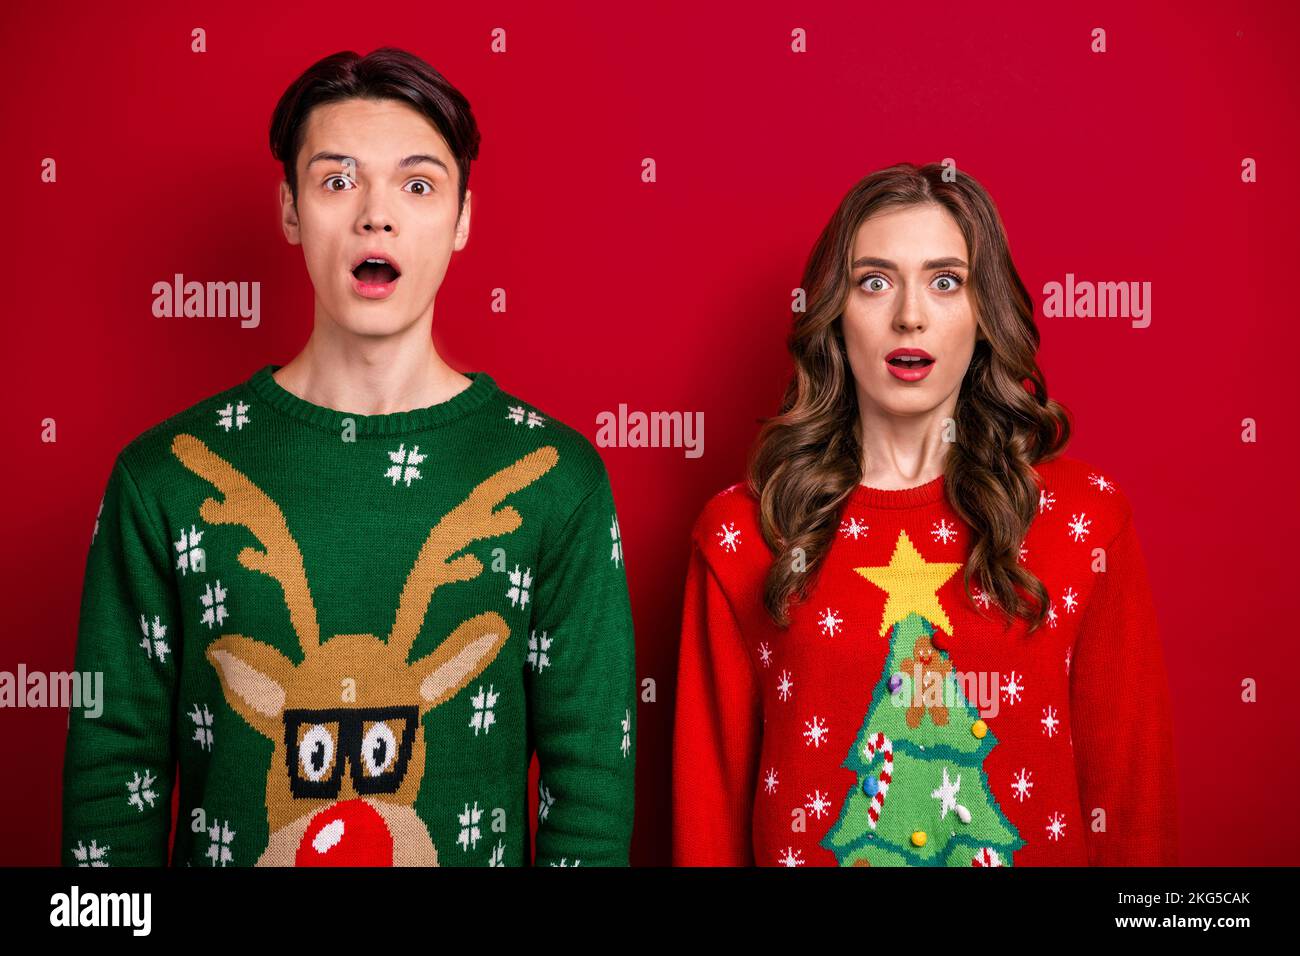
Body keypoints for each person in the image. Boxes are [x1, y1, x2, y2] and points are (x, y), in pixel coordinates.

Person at [61, 47, 636, 867]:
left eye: (417, 184)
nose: (376, 215)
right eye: (336, 181)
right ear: (291, 211)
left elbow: (591, 791)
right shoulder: (164, 480)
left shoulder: (555, 479)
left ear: (464, 218)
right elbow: (111, 782)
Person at [671, 162, 1177, 867]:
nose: (909, 314)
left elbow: (1130, 811)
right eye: (874, 281)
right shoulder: (743, 531)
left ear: (984, 311)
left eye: (946, 281)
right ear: (834, 314)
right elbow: (709, 822)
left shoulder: (1084, 521)